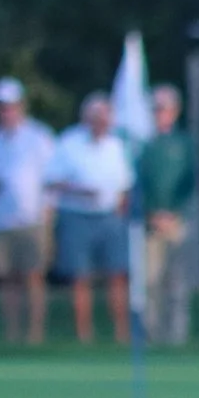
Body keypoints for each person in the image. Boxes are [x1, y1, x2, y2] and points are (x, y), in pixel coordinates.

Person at [0, 77, 57, 345]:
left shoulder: (40, 137)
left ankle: (35, 334)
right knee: (7, 280)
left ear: (21, 106)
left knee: (33, 276)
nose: (5, 112)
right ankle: (11, 334)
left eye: (10, 106)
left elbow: (52, 179)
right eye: (0, 107)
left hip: (33, 217)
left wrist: (49, 213)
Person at [48, 92, 135, 345]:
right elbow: (52, 179)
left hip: (110, 217)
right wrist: (78, 189)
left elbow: (126, 184)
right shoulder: (68, 142)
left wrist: (122, 205)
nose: (99, 121)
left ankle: (121, 334)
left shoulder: (118, 145)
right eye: (94, 116)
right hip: (77, 215)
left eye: (103, 117)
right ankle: (84, 335)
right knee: (80, 276)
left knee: (117, 274)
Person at [136, 84, 196, 345]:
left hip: (176, 221)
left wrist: (174, 212)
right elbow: (137, 181)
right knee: (150, 281)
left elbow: (190, 182)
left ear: (175, 111)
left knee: (176, 280)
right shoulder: (143, 143)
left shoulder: (184, 143)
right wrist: (150, 213)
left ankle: (177, 336)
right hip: (148, 222)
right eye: (156, 109)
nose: (160, 113)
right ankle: (152, 334)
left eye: (165, 108)